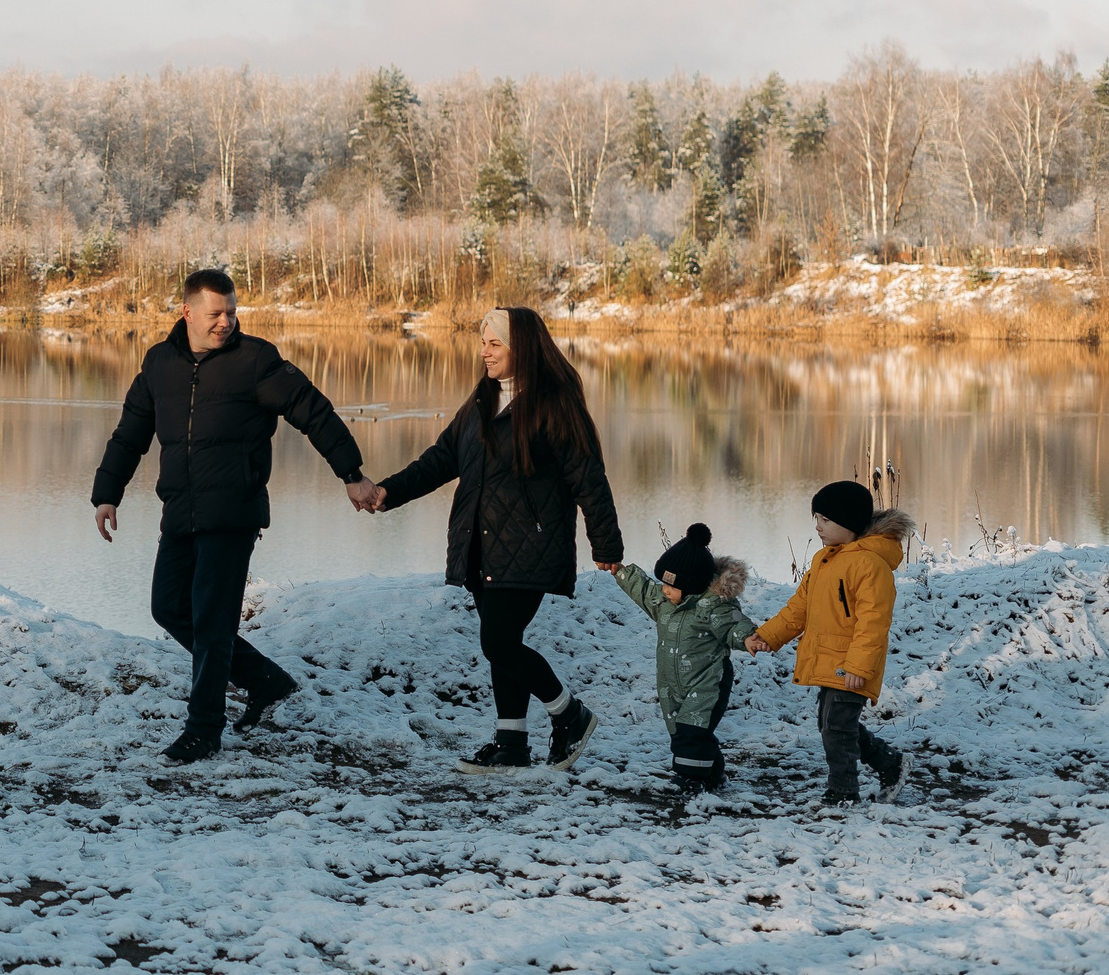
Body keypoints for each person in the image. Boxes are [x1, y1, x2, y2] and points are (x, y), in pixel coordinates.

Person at [92, 267, 377, 764]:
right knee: (168, 607)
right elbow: (130, 433)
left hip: (233, 512)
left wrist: (350, 472)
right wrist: (106, 493)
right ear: (187, 313)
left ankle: (204, 729)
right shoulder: (160, 364)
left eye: (232, 311)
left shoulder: (256, 360)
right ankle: (264, 680)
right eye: (216, 313)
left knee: (212, 619)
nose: (226, 321)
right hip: (180, 510)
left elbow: (314, 411)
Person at [354, 306, 622, 773]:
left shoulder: (552, 403)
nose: (485, 352)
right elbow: (440, 459)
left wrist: (606, 544)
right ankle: (512, 744)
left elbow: (588, 478)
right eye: (483, 343)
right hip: (481, 546)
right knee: (504, 640)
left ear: (523, 348)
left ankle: (570, 714)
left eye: (495, 343)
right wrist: (387, 491)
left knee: (498, 642)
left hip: (531, 546)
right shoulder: (482, 400)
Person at [745, 481, 913, 808]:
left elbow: (873, 623)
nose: (818, 527)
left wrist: (857, 668)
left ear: (848, 522)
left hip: (851, 665)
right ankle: (890, 763)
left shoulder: (870, 565)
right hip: (827, 659)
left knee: (836, 727)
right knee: (832, 724)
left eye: (825, 520)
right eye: (816, 519)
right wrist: (768, 636)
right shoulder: (824, 560)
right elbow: (799, 609)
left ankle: (843, 792)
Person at [596, 522, 755, 792]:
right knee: (685, 733)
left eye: (672, 586)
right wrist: (621, 572)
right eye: (664, 584)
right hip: (672, 683)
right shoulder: (664, 603)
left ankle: (691, 779)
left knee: (693, 732)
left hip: (707, 682)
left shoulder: (713, 607)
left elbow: (734, 626)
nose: (665, 590)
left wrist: (748, 637)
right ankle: (713, 773)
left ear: (691, 585)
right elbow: (644, 590)